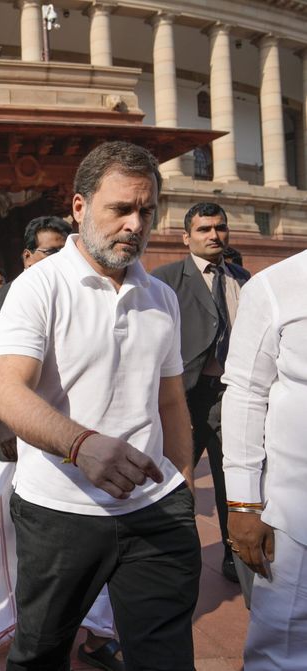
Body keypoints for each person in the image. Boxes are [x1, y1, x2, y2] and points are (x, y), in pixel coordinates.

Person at [0, 141, 200, 670]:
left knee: (165, 658)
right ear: (80, 208)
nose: (135, 224)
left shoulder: (161, 296)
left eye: (146, 210)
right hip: (60, 511)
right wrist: (81, 445)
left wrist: (182, 484)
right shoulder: (38, 286)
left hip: (156, 511)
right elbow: (8, 391)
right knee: (41, 654)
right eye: (121, 209)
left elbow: (171, 400)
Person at [0, 216, 123, 670]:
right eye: (49, 252)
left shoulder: (94, 291)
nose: (59, 258)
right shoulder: (5, 299)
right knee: (11, 535)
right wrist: (7, 431)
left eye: (64, 248)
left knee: (96, 543)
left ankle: (96, 634)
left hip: (84, 447)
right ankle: (2, 606)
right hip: (21, 443)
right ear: (27, 257)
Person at [152, 202, 250, 583]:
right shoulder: (166, 280)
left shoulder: (242, 278)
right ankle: (173, 556)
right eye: (204, 229)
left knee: (235, 478)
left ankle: (233, 553)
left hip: (232, 396)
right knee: (176, 479)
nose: (214, 235)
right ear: (186, 237)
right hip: (184, 397)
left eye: (220, 228)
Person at [222, 249, 307, 670]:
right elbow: (244, 394)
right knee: (282, 652)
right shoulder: (277, 286)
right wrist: (243, 504)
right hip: (295, 518)